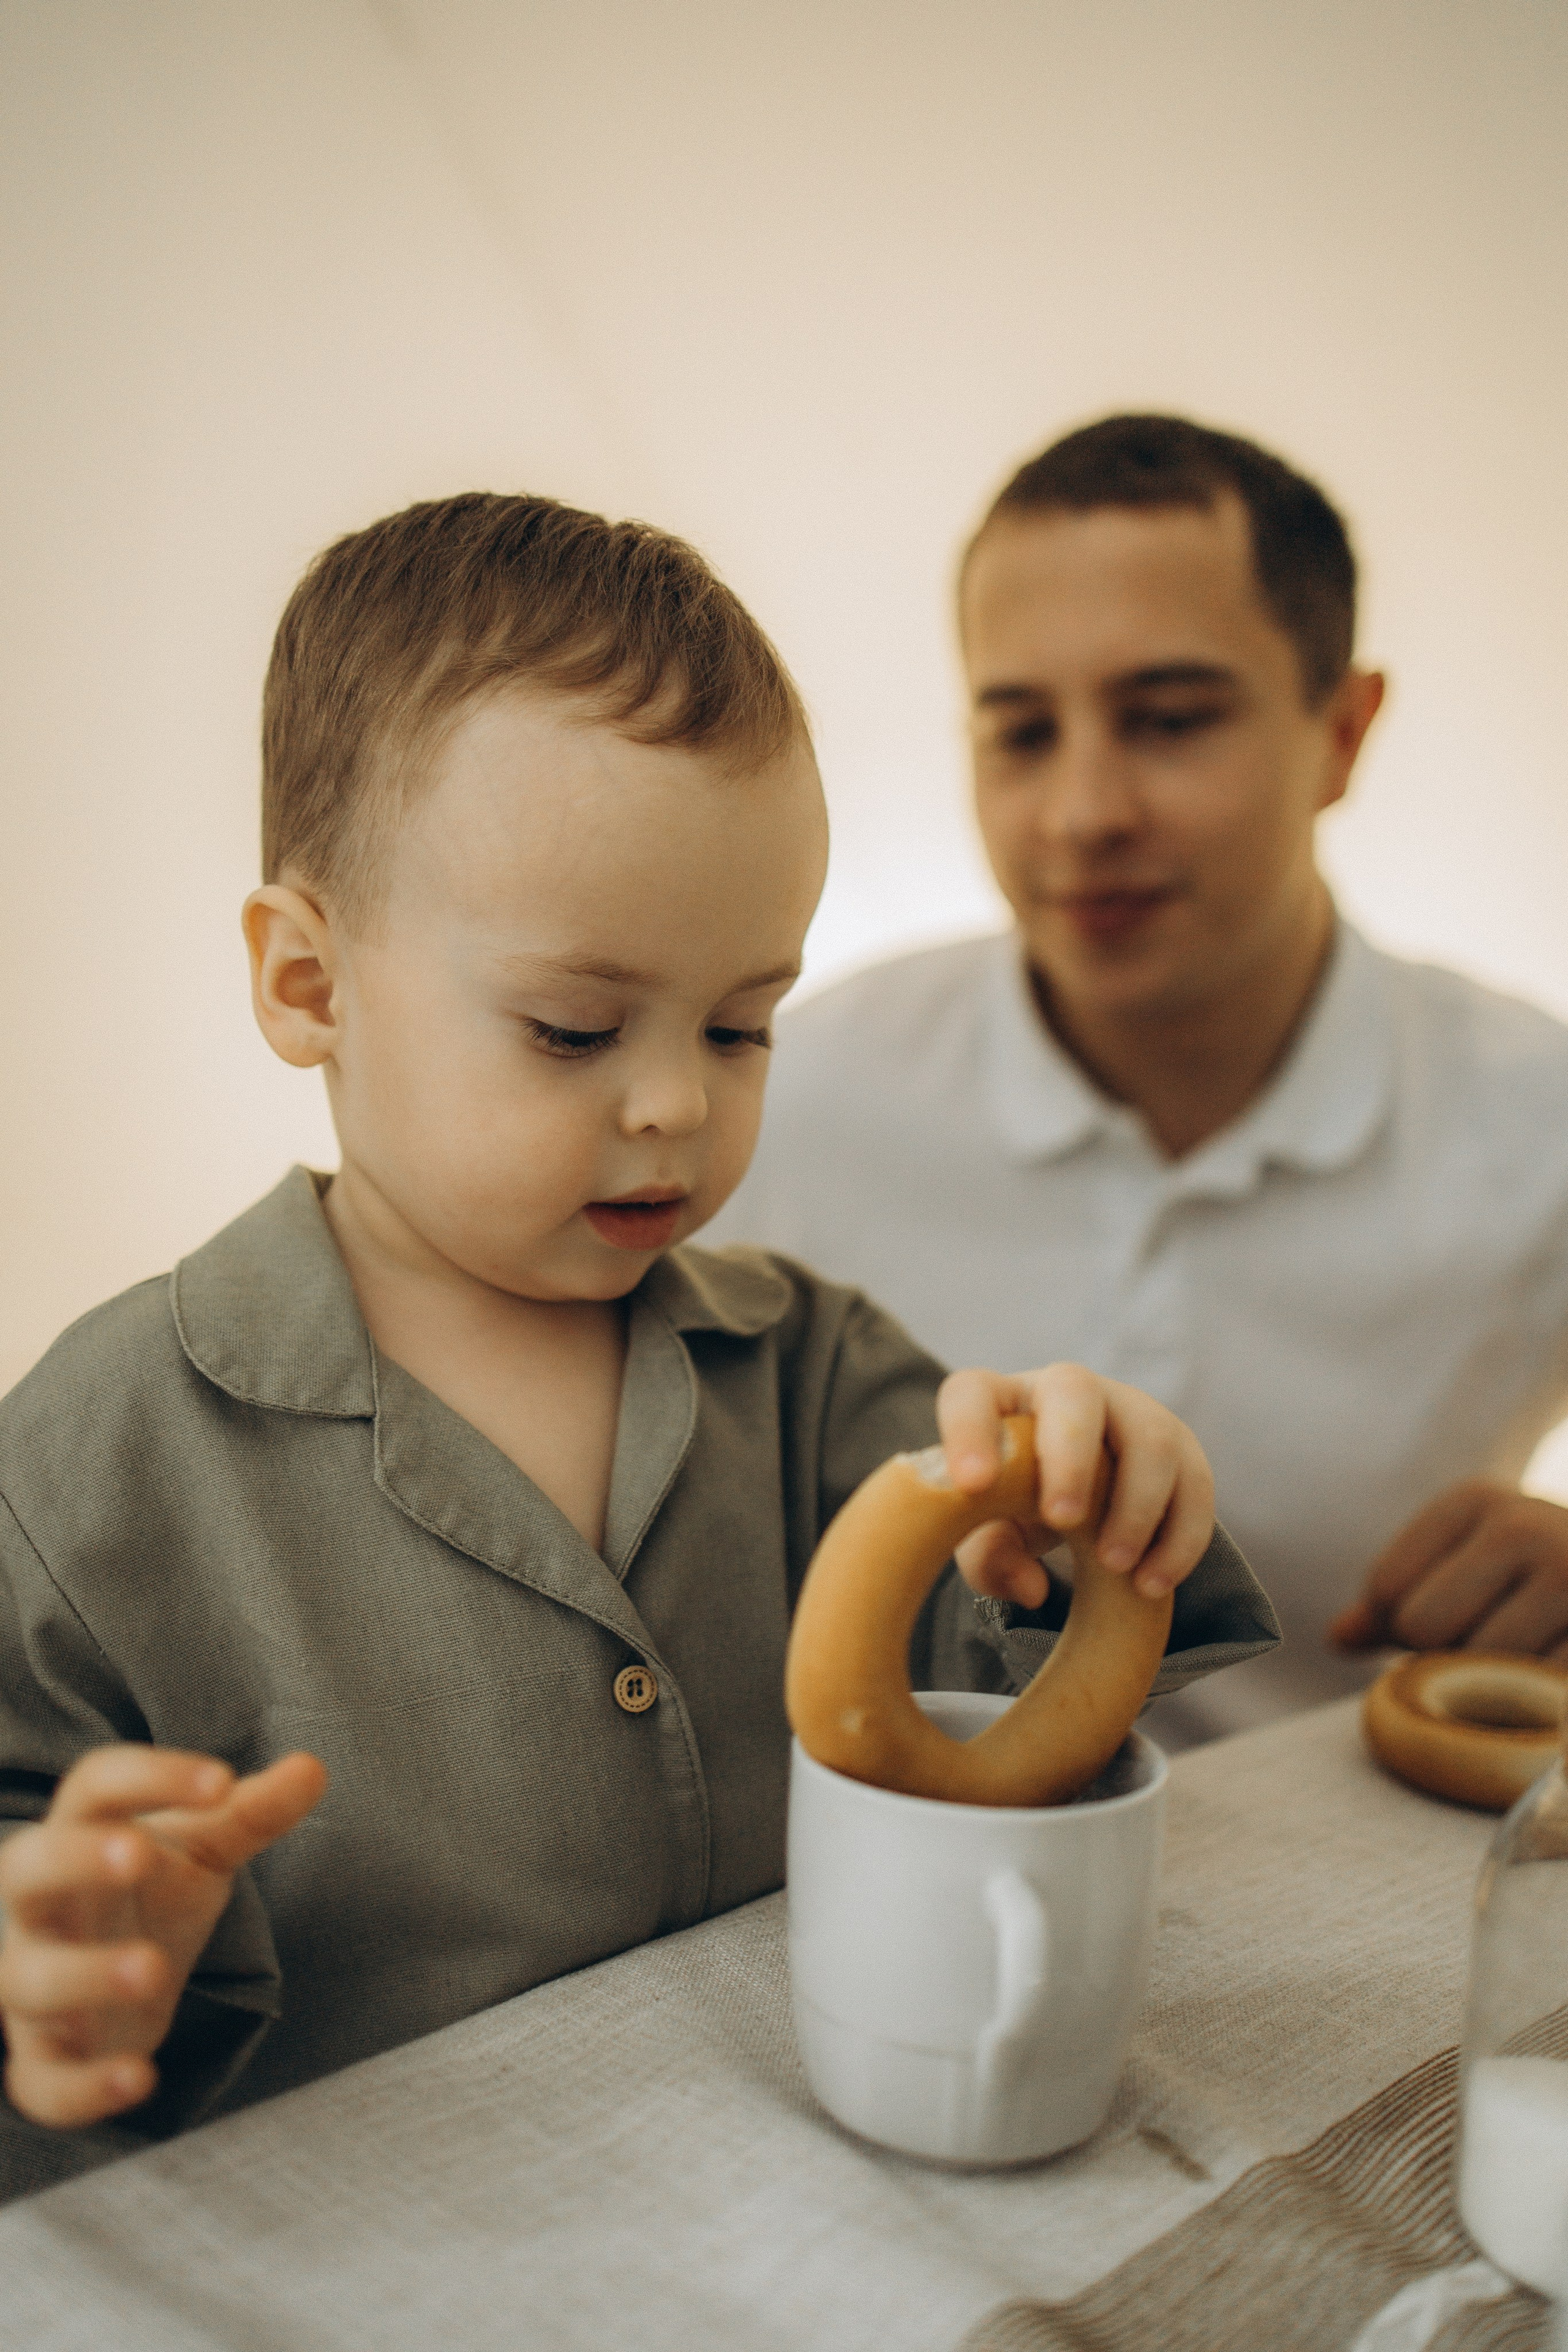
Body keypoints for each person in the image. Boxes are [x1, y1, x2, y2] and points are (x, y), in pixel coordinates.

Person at [0, 492, 1276, 2199]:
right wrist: (58, 1962)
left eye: (744, 1025)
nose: (678, 1100)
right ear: (309, 983)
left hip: (820, 2223)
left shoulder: (816, 1370)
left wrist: (1090, 1506)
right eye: (575, 1028)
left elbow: (1020, 1672)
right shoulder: (91, 1470)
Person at [711, 414, 1568, 1747]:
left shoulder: (1537, 1124)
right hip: (848, 1870)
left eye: (1167, 720)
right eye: (1019, 733)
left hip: (1346, 1901)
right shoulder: (786, 1092)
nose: (1082, 813)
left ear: (1342, 732)